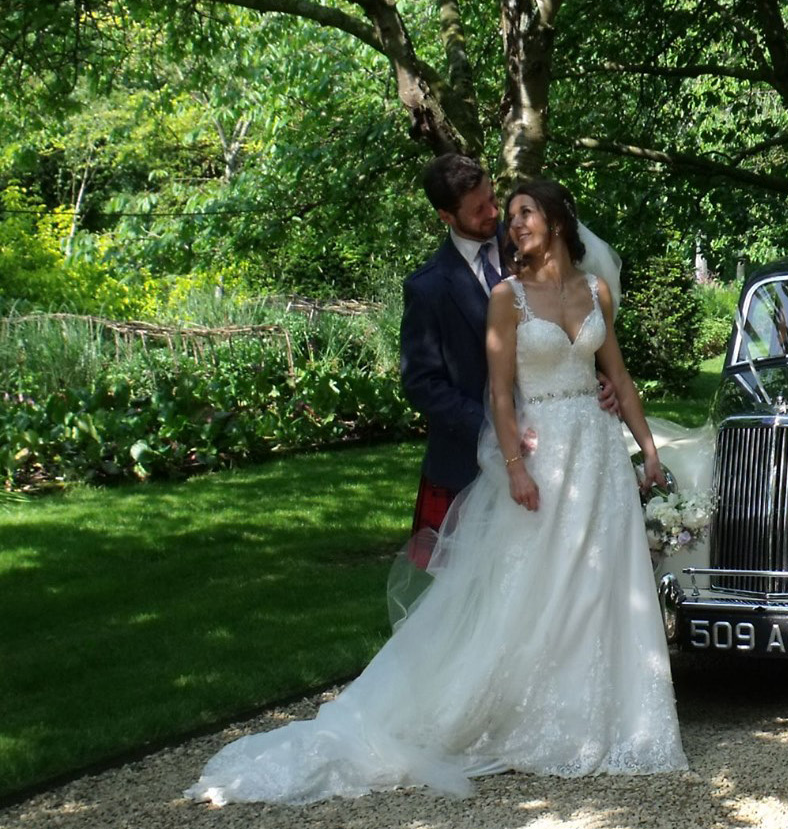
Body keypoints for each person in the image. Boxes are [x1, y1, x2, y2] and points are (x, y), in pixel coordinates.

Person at [186, 178, 687, 804]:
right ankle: (523, 712)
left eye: (526, 212)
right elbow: (501, 393)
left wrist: (648, 451)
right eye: (510, 216)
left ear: (557, 220)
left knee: (602, 580)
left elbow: (619, 375)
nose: (515, 223)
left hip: (597, 454)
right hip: (544, 453)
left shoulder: (595, 292)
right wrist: (515, 467)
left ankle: (613, 718)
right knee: (538, 583)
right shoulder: (508, 299)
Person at [398, 153, 619, 569]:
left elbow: (583, 316)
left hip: (565, 444)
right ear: (446, 215)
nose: (495, 213)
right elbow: (421, 382)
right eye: (479, 209)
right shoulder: (427, 288)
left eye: (492, 199)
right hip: (469, 457)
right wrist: (494, 430)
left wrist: (597, 376)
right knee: (477, 587)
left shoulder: (533, 241)